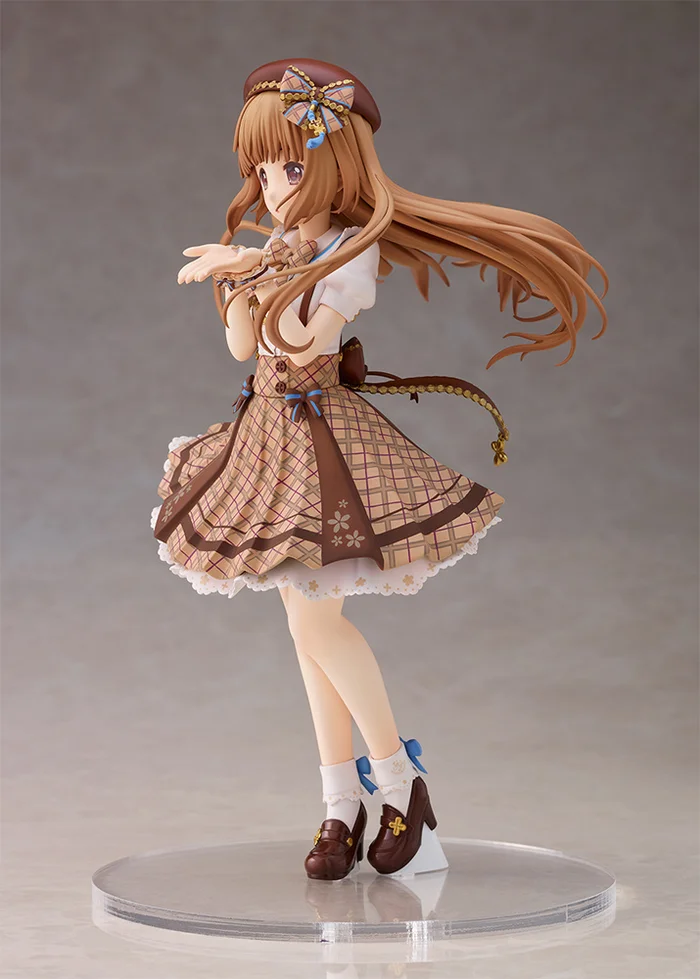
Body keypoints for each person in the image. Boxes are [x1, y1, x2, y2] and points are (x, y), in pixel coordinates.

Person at [151, 59, 608, 880]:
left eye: (292, 167)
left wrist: (249, 271)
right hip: (269, 439)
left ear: (335, 165)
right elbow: (246, 347)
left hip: (324, 445)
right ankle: (340, 803)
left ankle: (400, 782)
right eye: (262, 170)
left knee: (319, 625)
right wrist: (240, 280)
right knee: (303, 632)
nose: (274, 187)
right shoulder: (282, 247)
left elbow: (305, 342)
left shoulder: (349, 258)